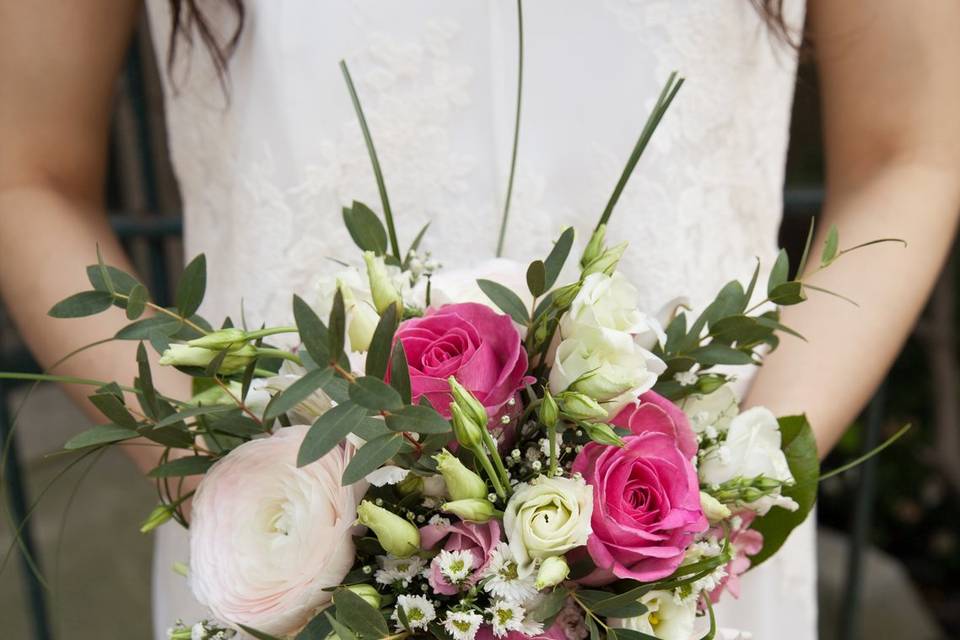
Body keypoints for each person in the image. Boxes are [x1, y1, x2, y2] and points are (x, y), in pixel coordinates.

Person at [2, 1, 959, 638]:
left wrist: (710, 500)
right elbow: (25, 170)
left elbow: (910, 152)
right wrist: (267, 516)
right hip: (291, 567)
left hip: (678, 573)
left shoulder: (686, 535)